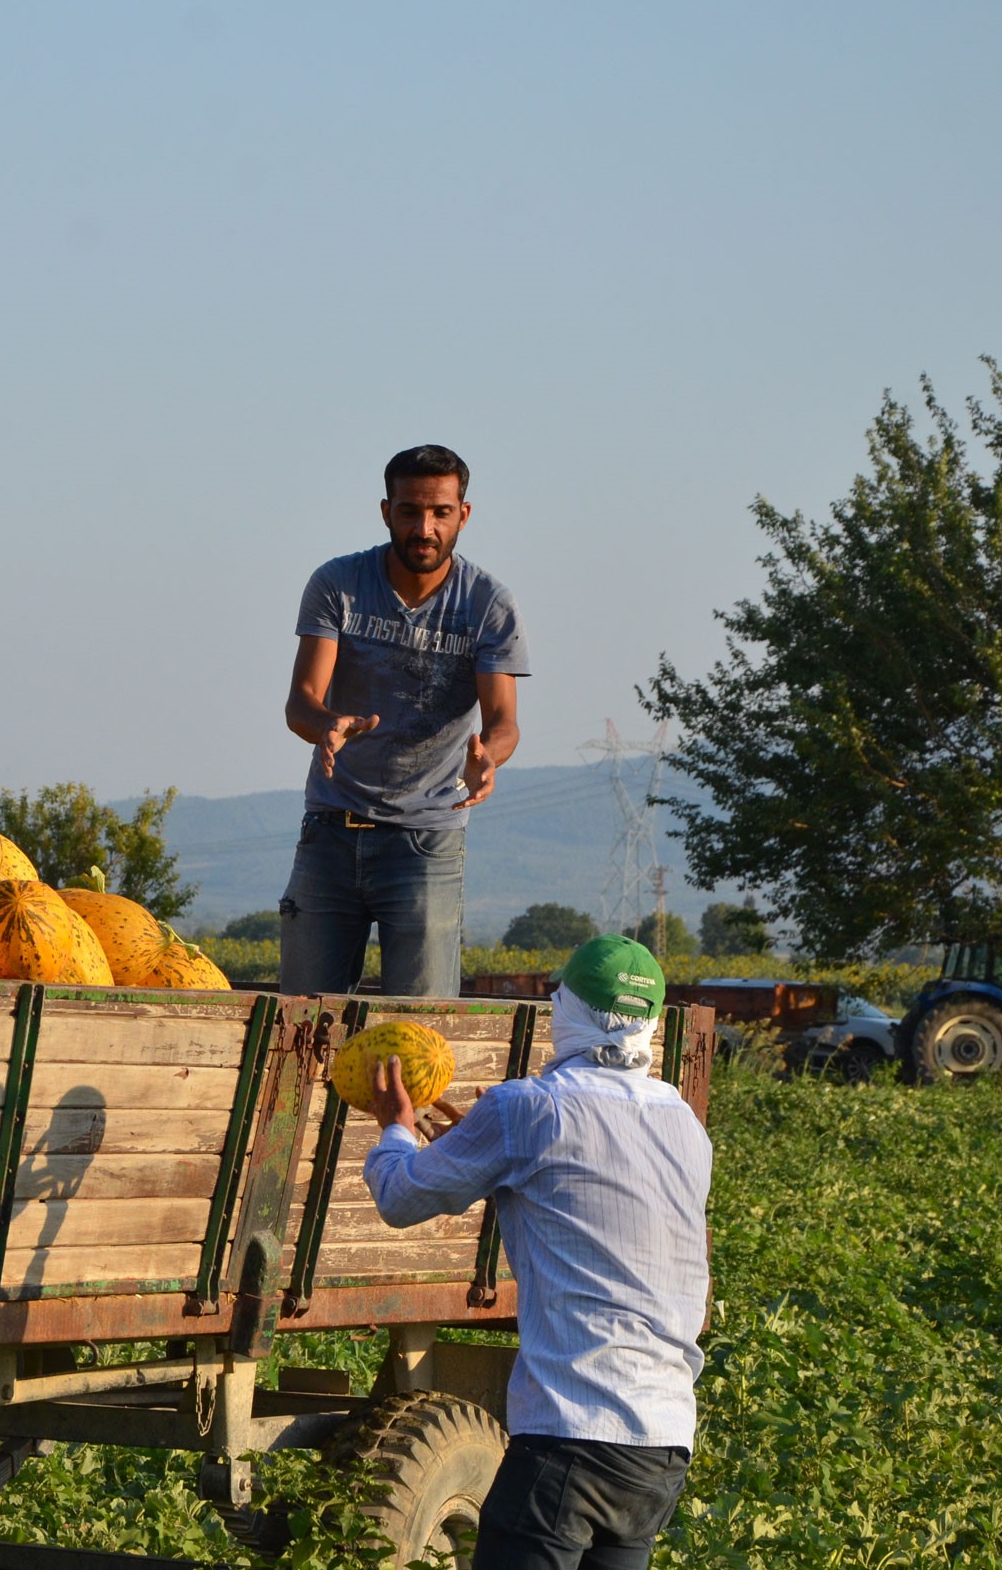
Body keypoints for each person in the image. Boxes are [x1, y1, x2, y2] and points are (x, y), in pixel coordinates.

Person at [361, 936, 712, 1569]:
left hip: (571, 1431)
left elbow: (398, 1196)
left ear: (568, 1010)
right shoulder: (682, 1122)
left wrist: (395, 1125)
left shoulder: (530, 1108)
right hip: (661, 1444)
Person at [280, 444, 527, 997]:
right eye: (411, 510)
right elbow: (302, 700)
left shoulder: (487, 603)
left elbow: (504, 719)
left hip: (427, 841)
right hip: (331, 828)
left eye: (440, 512)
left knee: (420, 1032)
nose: (425, 527)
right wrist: (327, 726)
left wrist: (491, 755)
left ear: (463, 515)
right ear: (386, 510)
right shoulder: (338, 585)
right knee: (300, 1025)